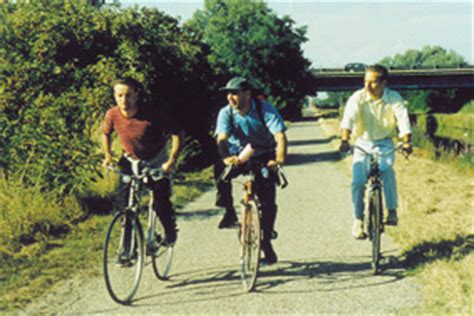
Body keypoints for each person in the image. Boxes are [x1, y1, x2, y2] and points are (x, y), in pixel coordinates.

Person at [102, 77, 182, 262]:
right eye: (119, 95)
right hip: (130, 161)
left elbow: (177, 134)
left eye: (128, 95)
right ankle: (128, 250)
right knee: (125, 206)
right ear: (114, 96)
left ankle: (170, 232)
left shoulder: (153, 114)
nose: (124, 100)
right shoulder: (112, 114)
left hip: (156, 160)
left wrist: (171, 160)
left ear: (137, 95)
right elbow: (105, 134)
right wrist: (107, 155)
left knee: (161, 201)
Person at [215, 77, 288, 264]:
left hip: (264, 154)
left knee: (268, 200)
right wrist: (226, 158)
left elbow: (280, 136)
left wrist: (278, 160)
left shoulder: (264, 109)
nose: (230, 97)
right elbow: (221, 138)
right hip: (237, 155)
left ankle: (266, 240)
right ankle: (229, 211)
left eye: (235, 93)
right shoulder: (226, 113)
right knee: (220, 173)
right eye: (228, 93)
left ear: (247, 94)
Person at [339, 64, 413, 239]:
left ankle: (392, 210)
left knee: (386, 170)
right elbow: (348, 119)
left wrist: (406, 141)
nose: (367, 86)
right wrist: (344, 140)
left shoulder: (393, 98)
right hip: (362, 144)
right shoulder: (358, 97)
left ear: (383, 83)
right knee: (358, 182)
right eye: (365, 81)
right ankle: (358, 220)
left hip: (384, 143)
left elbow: (403, 119)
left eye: (372, 82)